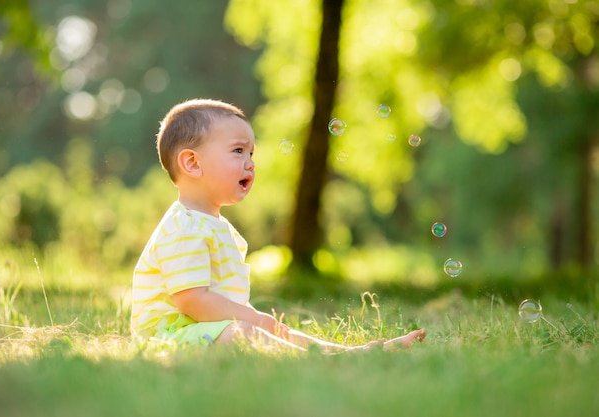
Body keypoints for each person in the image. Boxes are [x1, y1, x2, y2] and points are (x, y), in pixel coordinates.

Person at [130, 98, 426, 353]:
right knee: (251, 332)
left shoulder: (213, 225)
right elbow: (193, 301)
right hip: (168, 338)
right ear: (193, 164)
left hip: (205, 331)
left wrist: (256, 320)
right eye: (238, 151)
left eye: (251, 153)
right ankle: (323, 358)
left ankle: (345, 353)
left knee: (272, 330)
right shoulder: (184, 227)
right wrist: (253, 319)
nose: (250, 163)